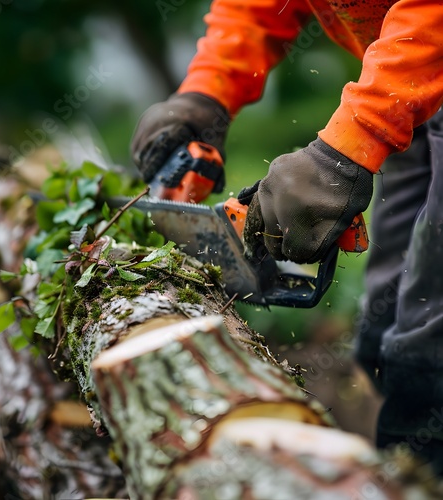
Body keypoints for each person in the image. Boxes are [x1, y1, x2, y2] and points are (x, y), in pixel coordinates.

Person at [130, 0, 443, 474]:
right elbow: (255, 8)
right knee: (382, 341)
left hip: (421, 56)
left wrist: (348, 145)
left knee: (428, 351)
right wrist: (207, 91)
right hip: (413, 81)